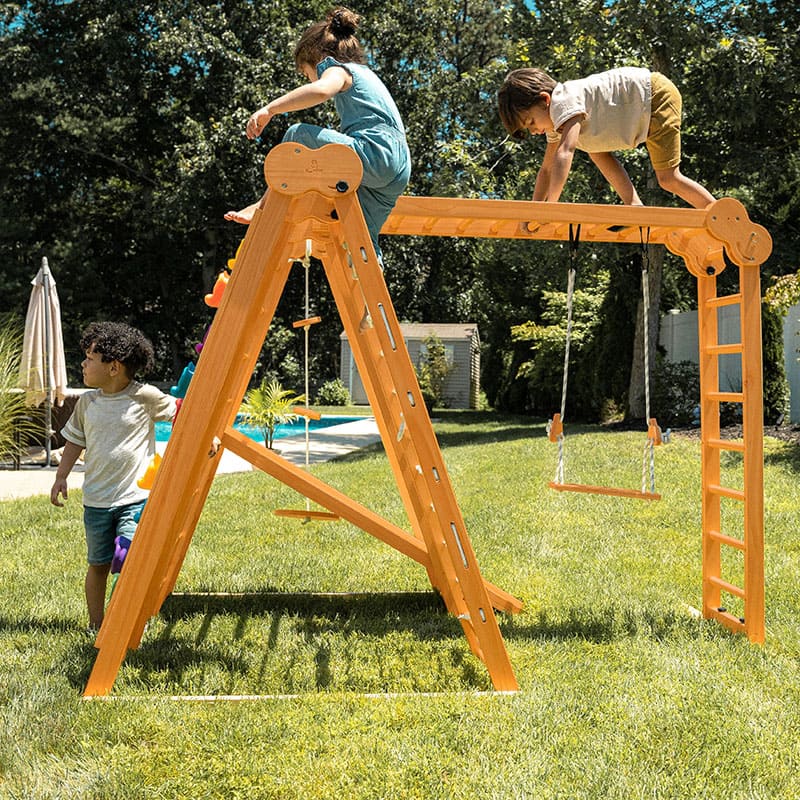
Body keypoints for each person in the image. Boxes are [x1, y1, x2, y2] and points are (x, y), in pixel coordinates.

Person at [225, 6, 411, 262]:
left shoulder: (337, 69)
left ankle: (262, 204)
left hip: (374, 152)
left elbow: (322, 90)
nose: (310, 80)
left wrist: (270, 109)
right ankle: (370, 275)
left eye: (306, 74)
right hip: (398, 169)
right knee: (360, 239)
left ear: (318, 58)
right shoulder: (368, 75)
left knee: (298, 134)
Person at [50, 322, 177, 632]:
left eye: (90, 358)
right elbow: (74, 442)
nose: (83, 363)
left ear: (114, 367)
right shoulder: (86, 403)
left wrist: (208, 439)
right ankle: (97, 623)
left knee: (129, 553)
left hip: (133, 497)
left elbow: (181, 412)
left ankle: (129, 617)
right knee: (98, 565)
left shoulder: (144, 396)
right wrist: (61, 476)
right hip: (96, 500)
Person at [497, 66, 715, 209]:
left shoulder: (563, 99)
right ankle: (634, 204)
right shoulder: (556, 122)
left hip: (654, 97)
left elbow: (565, 153)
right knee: (595, 150)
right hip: (640, 109)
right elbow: (546, 169)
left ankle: (720, 215)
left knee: (668, 178)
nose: (534, 131)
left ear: (545, 100)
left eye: (531, 122)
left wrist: (551, 206)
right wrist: (535, 211)